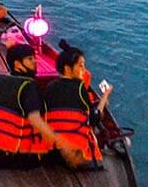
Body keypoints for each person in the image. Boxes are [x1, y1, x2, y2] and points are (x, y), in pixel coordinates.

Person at [0, 44, 68, 168]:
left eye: (34, 58)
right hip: (17, 158)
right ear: (17, 64)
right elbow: (35, 120)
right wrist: (62, 145)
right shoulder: (29, 87)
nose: (35, 62)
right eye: (30, 59)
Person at [44, 40, 110, 170]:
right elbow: (94, 119)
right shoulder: (80, 89)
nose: (84, 70)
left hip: (53, 153)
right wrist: (104, 98)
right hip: (76, 152)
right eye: (81, 66)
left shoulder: (49, 87)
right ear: (68, 69)